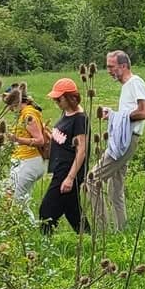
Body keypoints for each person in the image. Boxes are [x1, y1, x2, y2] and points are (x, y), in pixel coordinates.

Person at [86, 50, 145, 234]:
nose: (109, 71)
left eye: (111, 67)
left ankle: (102, 230)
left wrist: (118, 116)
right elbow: (129, 114)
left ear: (123, 66)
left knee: (92, 180)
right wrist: (113, 115)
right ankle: (122, 230)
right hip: (124, 140)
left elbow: (144, 112)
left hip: (127, 141)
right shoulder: (126, 86)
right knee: (115, 189)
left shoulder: (135, 82)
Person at [40, 78, 89, 234]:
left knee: (47, 211)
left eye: (59, 98)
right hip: (59, 167)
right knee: (73, 211)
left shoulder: (80, 119)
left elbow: (82, 150)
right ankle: (87, 237)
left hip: (67, 171)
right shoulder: (66, 113)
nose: (56, 102)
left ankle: (45, 243)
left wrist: (70, 178)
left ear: (70, 97)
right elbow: (63, 140)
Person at [6, 86, 47, 206]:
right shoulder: (22, 114)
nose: (8, 107)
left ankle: (31, 225)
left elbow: (40, 140)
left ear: (16, 100)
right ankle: (31, 225)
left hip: (28, 161)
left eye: (9, 102)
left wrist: (17, 139)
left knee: (16, 202)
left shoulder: (28, 115)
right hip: (23, 161)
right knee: (18, 201)